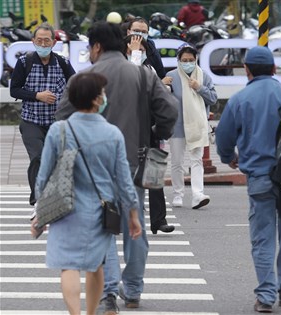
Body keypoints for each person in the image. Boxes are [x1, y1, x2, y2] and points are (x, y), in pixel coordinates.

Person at [55, 21, 178, 315]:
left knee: (103, 229)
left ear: (96, 46)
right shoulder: (143, 75)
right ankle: (133, 290)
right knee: (135, 225)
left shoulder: (84, 78)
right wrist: (154, 131)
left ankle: (109, 293)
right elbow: (170, 111)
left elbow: (61, 120)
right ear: (123, 46)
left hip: (93, 166)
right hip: (135, 160)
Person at [31, 72, 142, 315]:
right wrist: (133, 214)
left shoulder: (59, 130)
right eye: (102, 94)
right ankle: (91, 312)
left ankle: (75, 313)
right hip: (99, 212)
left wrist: (41, 212)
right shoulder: (112, 134)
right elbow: (124, 180)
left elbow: (44, 176)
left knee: (68, 266)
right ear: (94, 100)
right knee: (96, 265)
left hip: (64, 210)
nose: (104, 98)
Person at [216, 46, 281, 312]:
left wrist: (228, 157)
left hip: (259, 176)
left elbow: (223, 137)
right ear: (274, 69)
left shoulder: (240, 98)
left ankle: (266, 296)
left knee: (263, 236)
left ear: (246, 70)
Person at [10, 22, 75, 207]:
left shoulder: (62, 62)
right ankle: (37, 197)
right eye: (40, 40)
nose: (43, 44)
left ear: (54, 43)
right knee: (37, 157)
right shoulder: (24, 62)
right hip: (31, 120)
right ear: (33, 41)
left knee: (56, 160)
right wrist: (37, 96)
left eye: (47, 41)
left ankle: (55, 196)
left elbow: (75, 85)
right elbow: (14, 90)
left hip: (56, 122)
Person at [125, 34, 175, 234]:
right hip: (127, 128)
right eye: (134, 48)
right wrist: (134, 54)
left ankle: (159, 220)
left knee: (154, 174)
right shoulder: (121, 67)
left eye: (142, 49)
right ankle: (123, 217)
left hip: (149, 125)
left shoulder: (150, 68)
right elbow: (134, 84)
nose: (139, 51)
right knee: (128, 176)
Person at [165, 43, 217, 209]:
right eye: (184, 60)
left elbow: (213, 99)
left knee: (196, 161)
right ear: (178, 60)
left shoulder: (204, 77)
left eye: (191, 60)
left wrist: (199, 88)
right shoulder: (171, 76)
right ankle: (178, 194)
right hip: (177, 126)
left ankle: (197, 195)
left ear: (196, 60)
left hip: (197, 125)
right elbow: (161, 98)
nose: (188, 63)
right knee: (177, 162)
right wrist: (161, 84)